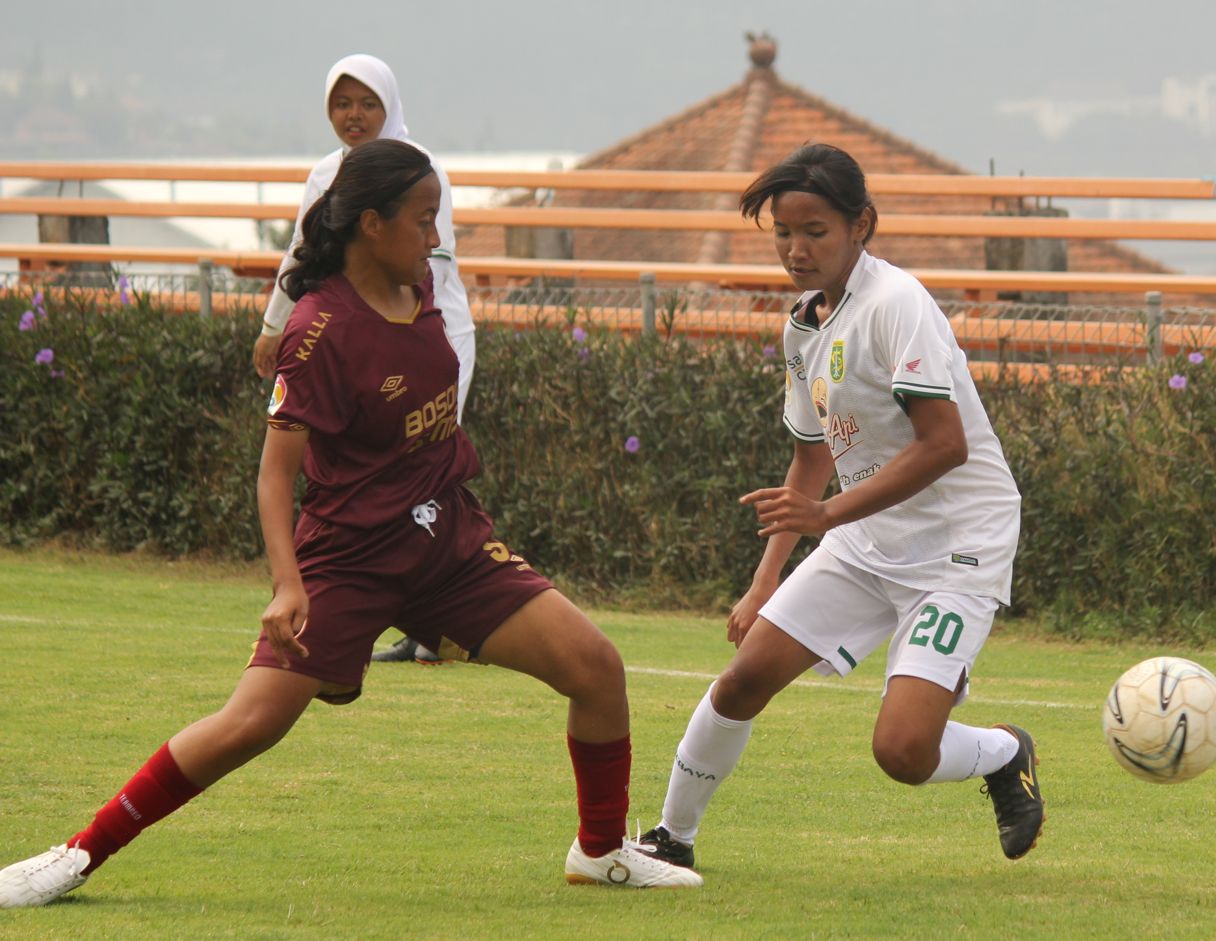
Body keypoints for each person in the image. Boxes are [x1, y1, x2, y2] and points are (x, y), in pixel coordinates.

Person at [0, 139, 701, 909]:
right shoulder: (317, 330)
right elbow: (275, 475)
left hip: (450, 541)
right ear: (371, 222)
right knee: (249, 724)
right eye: (424, 219)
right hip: (350, 559)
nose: (437, 238)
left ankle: (600, 852)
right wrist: (286, 584)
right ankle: (79, 851)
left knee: (596, 666)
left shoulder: (424, 286)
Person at [632, 143, 1043, 872]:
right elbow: (811, 462)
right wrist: (764, 583)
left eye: (815, 231)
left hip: (958, 545)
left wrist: (828, 516)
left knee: (903, 751)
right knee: (743, 678)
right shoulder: (803, 327)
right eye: (784, 232)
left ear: (863, 225)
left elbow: (944, 445)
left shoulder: (897, 306)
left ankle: (1004, 751)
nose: (796, 248)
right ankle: (671, 837)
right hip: (863, 536)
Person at [248, 53, 473, 665]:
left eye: (367, 103)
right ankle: (374, 603)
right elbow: (301, 250)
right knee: (365, 478)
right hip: (361, 346)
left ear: (390, 106)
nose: (354, 115)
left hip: (433, 339)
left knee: (428, 472)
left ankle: (431, 615)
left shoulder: (419, 173)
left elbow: (438, 266)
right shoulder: (326, 179)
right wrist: (275, 326)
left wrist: (425, 338)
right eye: (342, 103)